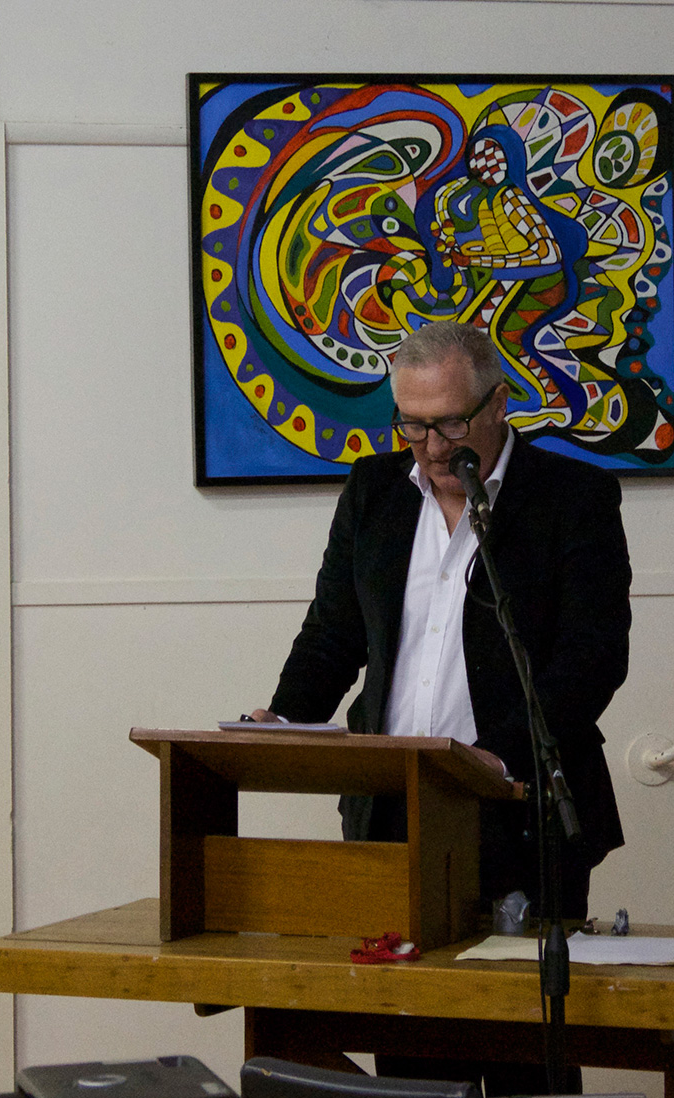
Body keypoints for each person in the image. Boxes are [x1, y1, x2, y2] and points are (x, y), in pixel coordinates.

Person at [251, 317, 632, 938]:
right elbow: (332, 634)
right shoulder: (373, 490)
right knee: (387, 990)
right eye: (412, 425)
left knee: (511, 999)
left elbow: (592, 657)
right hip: (387, 809)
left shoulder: (572, 497)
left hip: (519, 811)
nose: (431, 446)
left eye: (452, 424)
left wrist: (495, 758)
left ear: (499, 404)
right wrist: (285, 719)